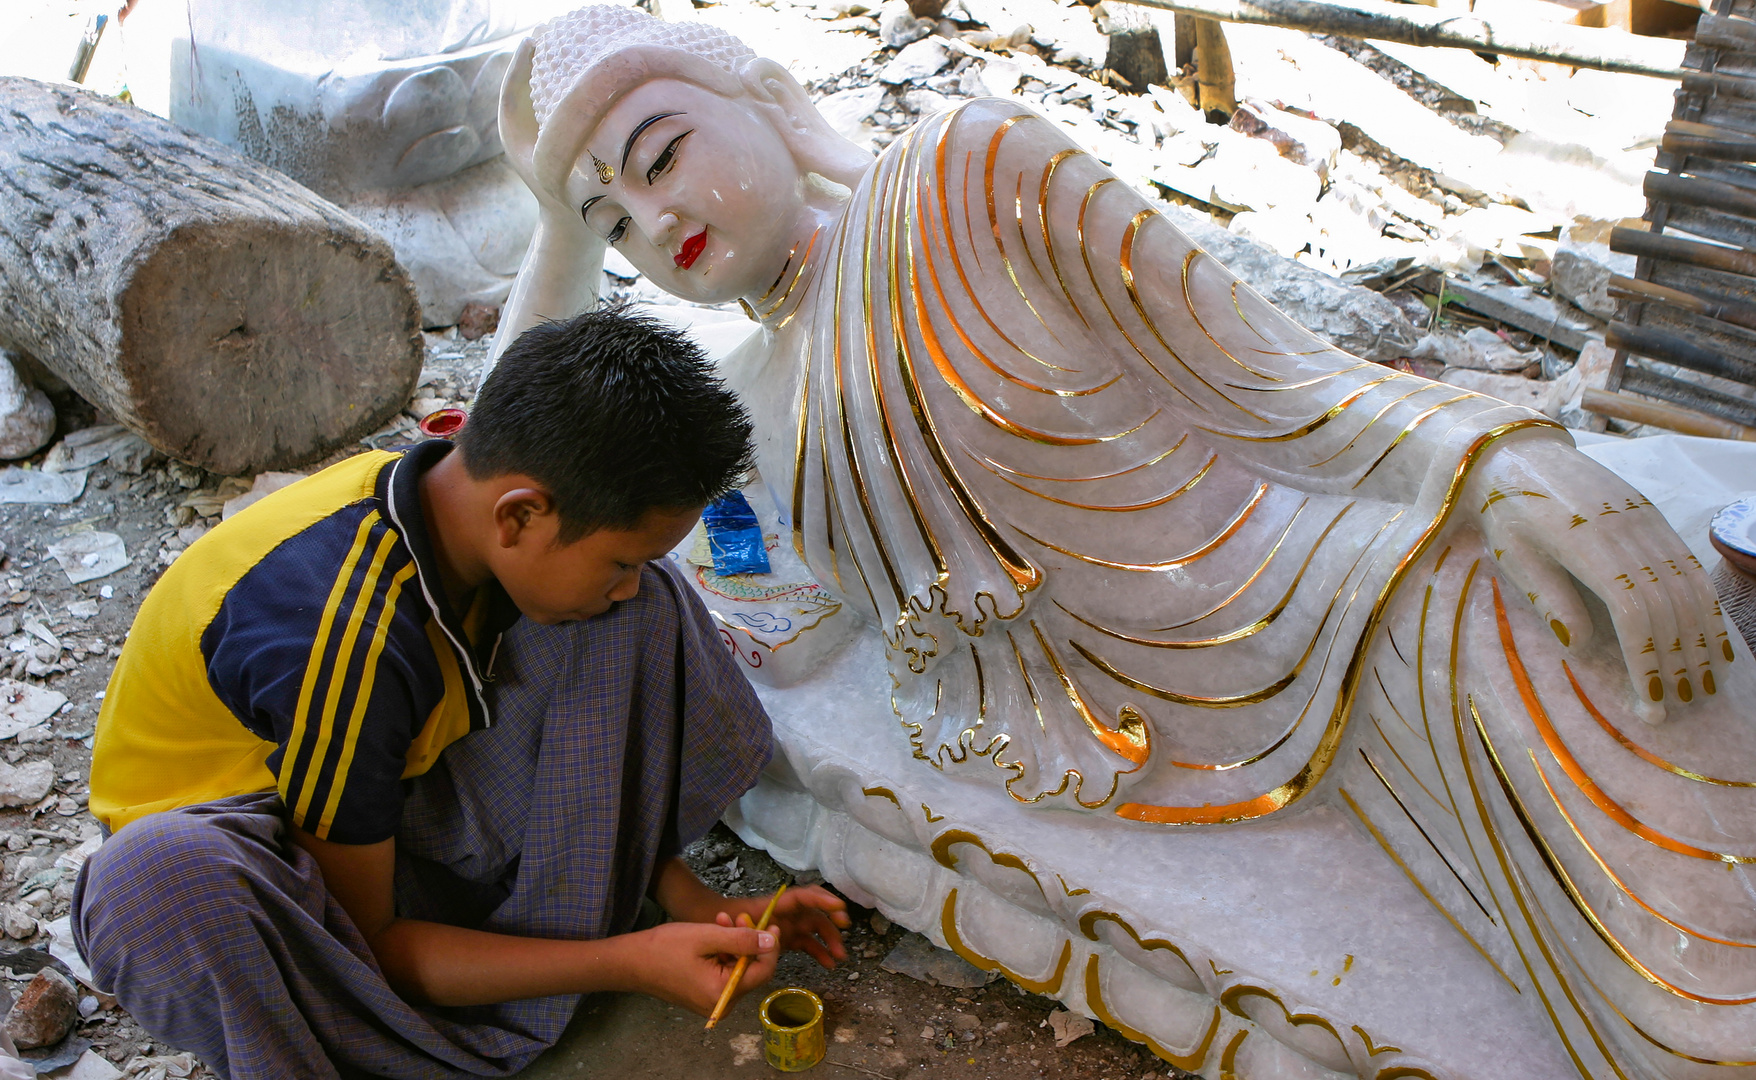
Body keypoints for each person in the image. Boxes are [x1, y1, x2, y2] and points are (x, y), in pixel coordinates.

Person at [490, 7, 1756, 1075]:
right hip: (1057, 730)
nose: (650, 225)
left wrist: (1508, 464)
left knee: (1592, 684)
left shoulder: (962, 167)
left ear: (766, 100)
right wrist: (556, 216)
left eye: (658, 159)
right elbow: (510, 453)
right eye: (613, 225)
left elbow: (1271, 375)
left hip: (1309, 594)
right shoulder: (747, 396)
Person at [74, 307, 850, 1080]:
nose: (625, 582)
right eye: (618, 559)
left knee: (642, 610)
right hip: (271, 869)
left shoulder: (453, 499)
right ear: (519, 514)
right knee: (154, 886)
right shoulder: (347, 646)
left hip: (377, 797)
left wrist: (694, 906)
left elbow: (583, 658)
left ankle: (557, 928)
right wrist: (626, 962)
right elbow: (367, 939)